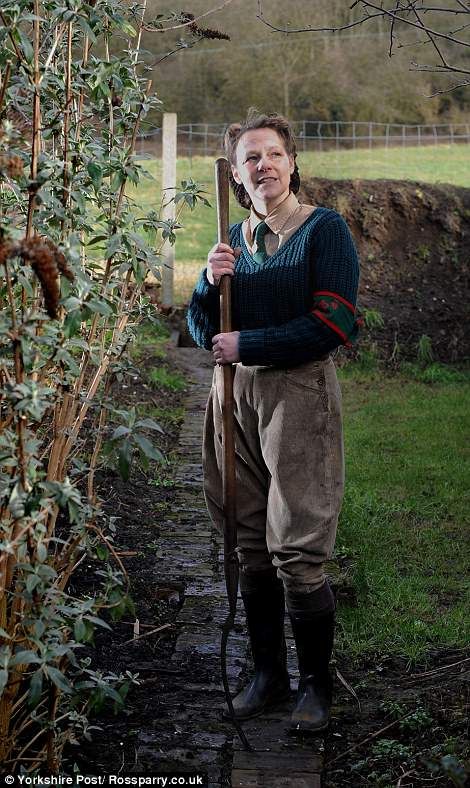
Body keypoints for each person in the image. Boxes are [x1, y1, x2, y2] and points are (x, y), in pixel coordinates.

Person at [187, 110, 360, 733]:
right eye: (249, 159)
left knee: (297, 545)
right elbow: (203, 334)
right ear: (236, 176)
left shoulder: (322, 231)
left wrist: (249, 344)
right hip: (233, 396)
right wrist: (208, 284)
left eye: (272, 154)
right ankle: (268, 677)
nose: (263, 165)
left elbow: (334, 322)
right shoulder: (231, 242)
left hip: (298, 395)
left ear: (291, 162)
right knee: (249, 537)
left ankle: (316, 689)